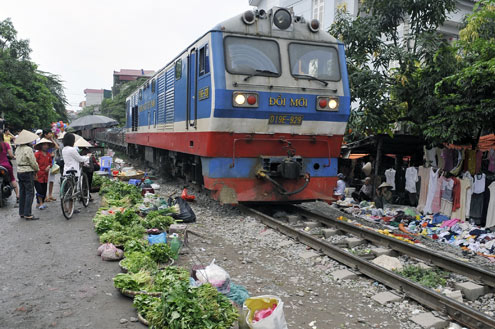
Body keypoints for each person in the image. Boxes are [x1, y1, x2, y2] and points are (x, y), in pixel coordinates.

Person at [15, 130, 40, 220]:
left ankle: (22, 212)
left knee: (22, 192)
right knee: (30, 192)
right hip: (27, 171)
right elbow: (33, 162)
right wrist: (37, 169)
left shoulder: (18, 148)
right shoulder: (28, 149)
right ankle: (27, 213)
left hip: (19, 171)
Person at [34, 138, 54, 210]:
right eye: (44, 145)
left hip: (45, 176)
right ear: (41, 146)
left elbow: (50, 163)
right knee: (39, 190)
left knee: (44, 190)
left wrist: (49, 166)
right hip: (38, 175)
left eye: (47, 145)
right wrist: (35, 173)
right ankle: (41, 203)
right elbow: (34, 164)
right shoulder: (37, 154)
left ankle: (39, 203)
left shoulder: (48, 154)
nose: (46, 146)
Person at [0, 132, 20, 202]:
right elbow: (11, 155)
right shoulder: (6, 144)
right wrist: (13, 157)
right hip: (5, 165)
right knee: (12, 179)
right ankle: (17, 195)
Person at [43, 130, 60, 202]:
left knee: (51, 180)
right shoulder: (42, 142)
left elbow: (57, 147)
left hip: (52, 163)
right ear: (45, 134)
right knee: (45, 181)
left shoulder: (51, 142)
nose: (50, 134)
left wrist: (52, 139)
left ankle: (50, 195)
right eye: (49, 133)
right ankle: (45, 196)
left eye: (51, 133)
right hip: (45, 163)